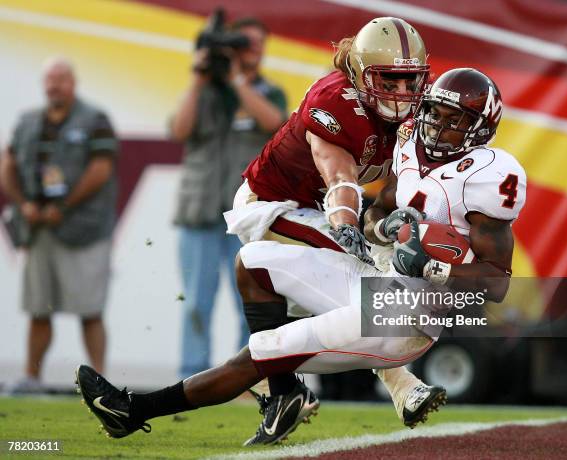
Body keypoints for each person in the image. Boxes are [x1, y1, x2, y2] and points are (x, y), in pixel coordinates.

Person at [75, 68, 526, 444]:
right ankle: (287, 390)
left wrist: (433, 265)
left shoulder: (488, 176)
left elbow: (497, 284)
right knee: (254, 261)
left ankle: (133, 411)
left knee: (265, 349)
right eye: (434, 112)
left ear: (479, 128)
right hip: (380, 280)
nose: (435, 125)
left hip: (410, 314)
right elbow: (380, 215)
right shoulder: (410, 147)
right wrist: (383, 227)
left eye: (452, 120)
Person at [223, 16, 435, 445]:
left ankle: (274, 385)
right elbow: (339, 178)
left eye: (408, 82)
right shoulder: (335, 100)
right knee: (357, 272)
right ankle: (401, 386)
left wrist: (380, 227)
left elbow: (389, 194)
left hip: (317, 209)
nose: (400, 95)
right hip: (271, 204)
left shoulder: (414, 122)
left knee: (360, 283)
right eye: (388, 82)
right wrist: (345, 223)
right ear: (359, 74)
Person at [169, 17, 287, 378]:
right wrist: (198, 78)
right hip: (199, 213)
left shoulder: (269, 91)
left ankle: (247, 378)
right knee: (195, 303)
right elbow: (179, 130)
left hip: (246, 218)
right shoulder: (205, 90)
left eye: (256, 43)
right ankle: (192, 377)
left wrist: (237, 80)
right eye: (244, 43)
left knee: (248, 304)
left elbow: (274, 124)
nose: (252, 49)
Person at [0, 57, 118, 393]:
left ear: (73, 83)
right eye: (50, 80)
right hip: (40, 229)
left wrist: (64, 206)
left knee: (90, 309)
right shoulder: (26, 122)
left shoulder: (95, 120)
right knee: (39, 308)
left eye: (61, 79)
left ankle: (101, 379)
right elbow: (8, 162)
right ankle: (31, 377)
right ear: (44, 84)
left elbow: (101, 169)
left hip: (84, 230)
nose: (55, 86)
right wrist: (23, 203)